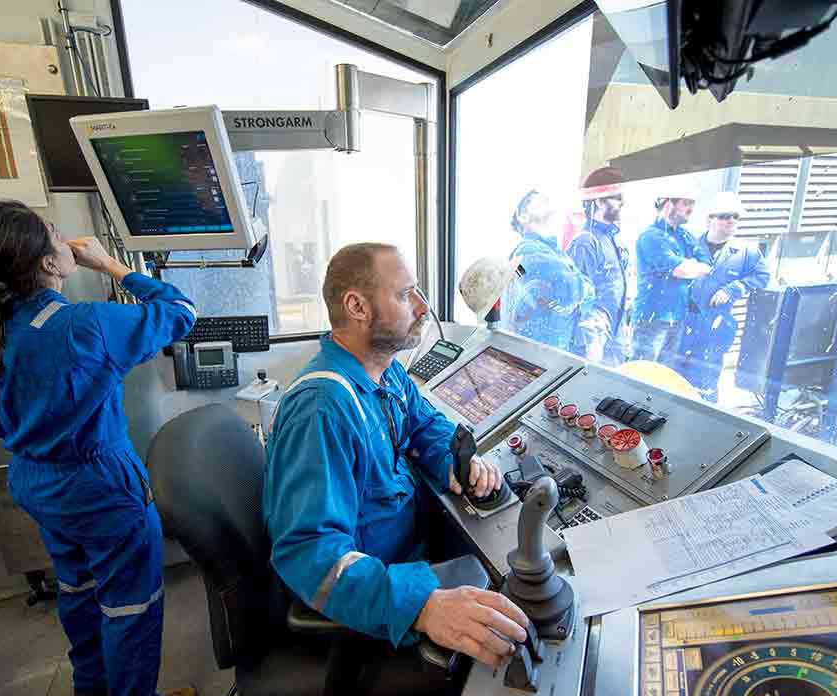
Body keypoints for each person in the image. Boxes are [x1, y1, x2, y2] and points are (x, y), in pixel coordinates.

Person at [0, 201, 199, 696]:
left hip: (33, 478)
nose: (68, 242)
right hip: (99, 482)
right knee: (131, 601)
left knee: (76, 582)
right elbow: (181, 311)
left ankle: (90, 677)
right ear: (46, 263)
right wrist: (112, 266)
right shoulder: (86, 325)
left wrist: (2, 427)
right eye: (58, 236)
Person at [263, 242, 530, 669]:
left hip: (411, 549)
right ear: (357, 306)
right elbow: (310, 553)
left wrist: (458, 464)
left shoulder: (385, 371)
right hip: (380, 587)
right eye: (406, 294)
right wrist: (423, 606)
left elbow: (424, 424)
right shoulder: (322, 408)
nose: (423, 307)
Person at [677, 192, 770, 402]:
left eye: (736, 217)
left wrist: (732, 290)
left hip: (715, 324)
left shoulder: (746, 252)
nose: (732, 221)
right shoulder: (689, 245)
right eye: (725, 216)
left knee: (706, 379)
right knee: (676, 376)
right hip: (684, 321)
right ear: (711, 219)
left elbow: (763, 276)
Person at [501, 190, 595, 353]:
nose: (543, 198)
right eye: (533, 200)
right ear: (522, 217)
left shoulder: (552, 252)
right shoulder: (529, 252)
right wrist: (585, 287)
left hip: (547, 351)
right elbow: (572, 291)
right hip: (540, 355)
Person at [632, 183, 712, 365]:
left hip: (677, 318)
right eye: (686, 203)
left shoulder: (685, 236)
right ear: (668, 204)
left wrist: (689, 266)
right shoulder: (651, 236)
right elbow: (679, 270)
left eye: (692, 203)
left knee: (663, 377)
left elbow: (707, 264)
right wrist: (689, 266)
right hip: (652, 320)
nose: (691, 208)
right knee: (643, 375)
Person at [568, 167, 629, 365]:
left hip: (612, 335)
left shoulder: (610, 239)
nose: (622, 203)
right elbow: (578, 298)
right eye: (616, 198)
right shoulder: (587, 242)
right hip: (593, 342)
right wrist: (591, 341)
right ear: (599, 202)